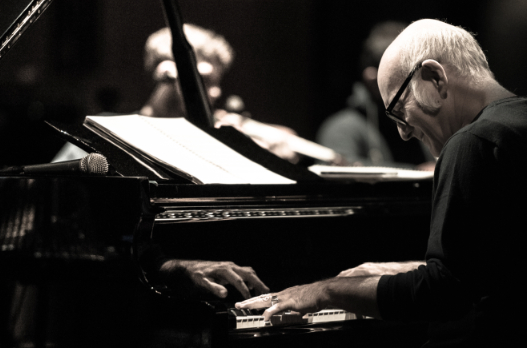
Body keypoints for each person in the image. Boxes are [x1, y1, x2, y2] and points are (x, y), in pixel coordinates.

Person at [236, 18, 526, 347]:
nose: (403, 131)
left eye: (399, 110)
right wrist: (397, 270)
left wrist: (322, 290)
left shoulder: (473, 141)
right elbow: (493, 269)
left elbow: (443, 293)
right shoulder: (514, 127)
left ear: (434, 77)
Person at [317, 21, 435, 170]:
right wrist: (418, 171)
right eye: (407, 77)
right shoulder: (342, 129)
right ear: (373, 79)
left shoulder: (421, 118)